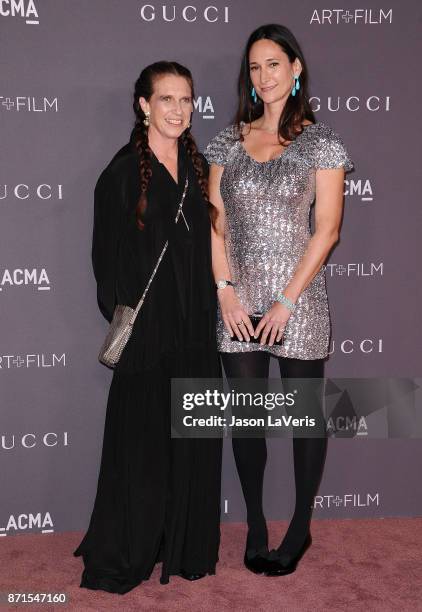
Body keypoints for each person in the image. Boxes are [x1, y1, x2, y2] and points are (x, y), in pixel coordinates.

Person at [204, 24, 353, 576]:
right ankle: (258, 523)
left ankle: (300, 527)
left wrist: (287, 300)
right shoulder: (225, 141)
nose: (262, 76)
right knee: (247, 420)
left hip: (300, 303)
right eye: (254, 67)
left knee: (304, 420)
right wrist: (225, 292)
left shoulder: (324, 142)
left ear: (296, 70)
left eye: (273, 64)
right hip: (237, 304)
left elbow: (328, 229)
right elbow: (214, 225)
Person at [73, 61, 222, 593]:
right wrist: (132, 319)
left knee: (191, 439)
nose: (179, 110)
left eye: (187, 100)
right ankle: (131, 547)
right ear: (143, 105)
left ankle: (183, 547)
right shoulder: (119, 173)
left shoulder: (199, 166)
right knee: (142, 446)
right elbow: (104, 261)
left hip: (197, 329)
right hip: (150, 334)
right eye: (167, 99)